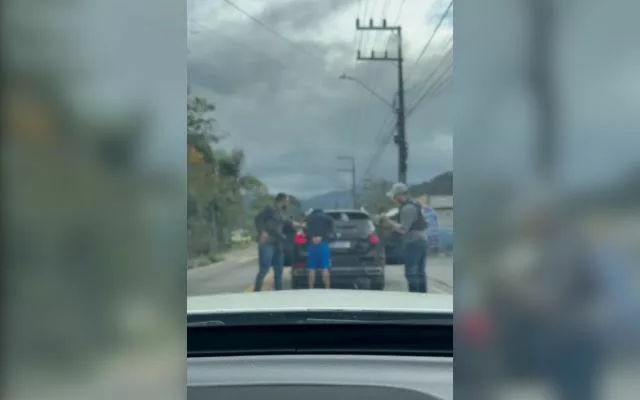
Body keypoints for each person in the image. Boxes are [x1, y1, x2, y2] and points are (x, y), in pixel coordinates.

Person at [382, 183, 429, 293]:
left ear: (399, 195)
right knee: (420, 272)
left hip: (413, 243)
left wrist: (387, 221)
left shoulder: (407, 208)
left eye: (394, 196)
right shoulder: (415, 205)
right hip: (422, 241)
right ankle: (424, 298)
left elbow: (403, 229)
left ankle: (414, 298)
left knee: (411, 272)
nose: (393, 199)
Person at [253, 193, 301, 291]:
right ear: (281, 200)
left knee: (279, 270)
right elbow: (258, 219)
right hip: (268, 242)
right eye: (287, 200)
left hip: (278, 243)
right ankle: (256, 290)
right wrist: (262, 231)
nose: (287, 203)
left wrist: (300, 224)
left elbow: (287, 222)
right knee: (264, 269)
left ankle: (279, 292)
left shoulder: (282, 212)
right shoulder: (269, 209)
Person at [305, 209, 335, 289]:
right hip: (323, 244)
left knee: (312, 268)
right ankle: (327, 288)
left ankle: (311, 288)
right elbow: (332, 231)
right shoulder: (328, 218)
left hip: (312, 245)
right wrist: (323, 237)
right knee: (325, 267)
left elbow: (305, 231)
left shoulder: (309, 218)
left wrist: (312, 237)